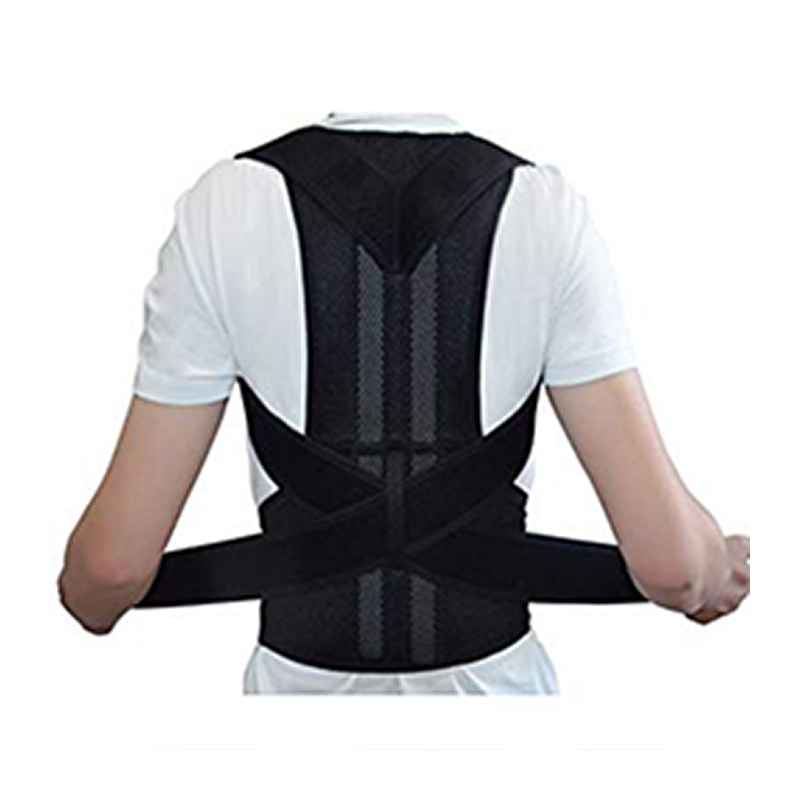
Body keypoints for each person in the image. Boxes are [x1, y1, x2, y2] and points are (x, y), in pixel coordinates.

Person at [56, 111, 750, 695]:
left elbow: (111, 568)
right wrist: (712, 567)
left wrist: (84, 598)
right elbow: (674, 568)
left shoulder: (224, 207)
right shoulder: (544, 208)